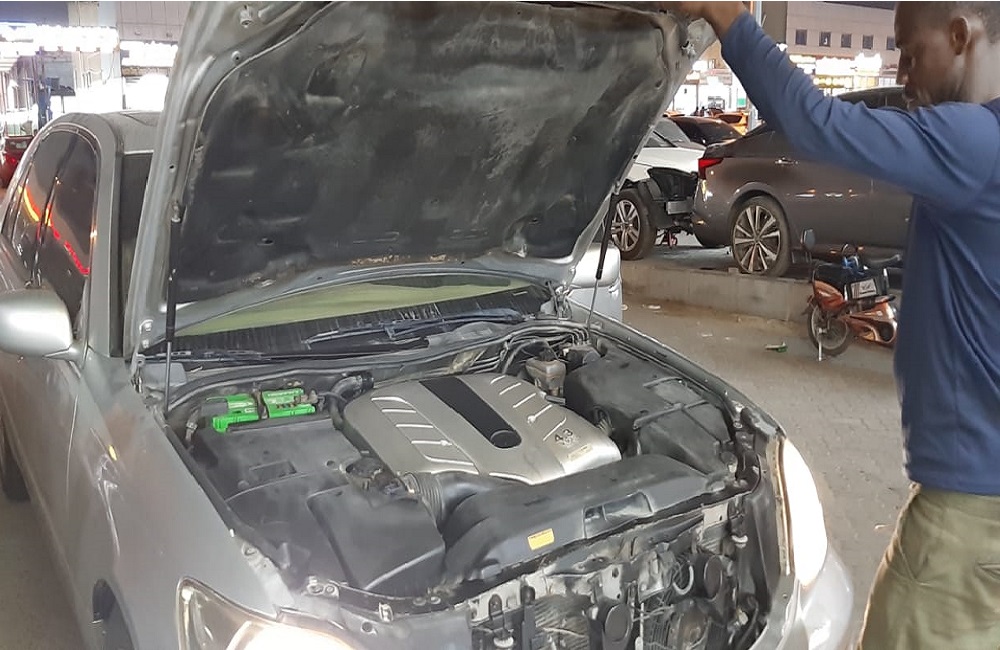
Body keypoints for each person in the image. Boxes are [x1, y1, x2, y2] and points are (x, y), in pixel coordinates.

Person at [672, 2, 1000, 648]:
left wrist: (723, 14)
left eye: (911, 52)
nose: (901, 74)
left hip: (963, 520)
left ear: (961, 36)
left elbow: (818, 123)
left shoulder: (975, 143)